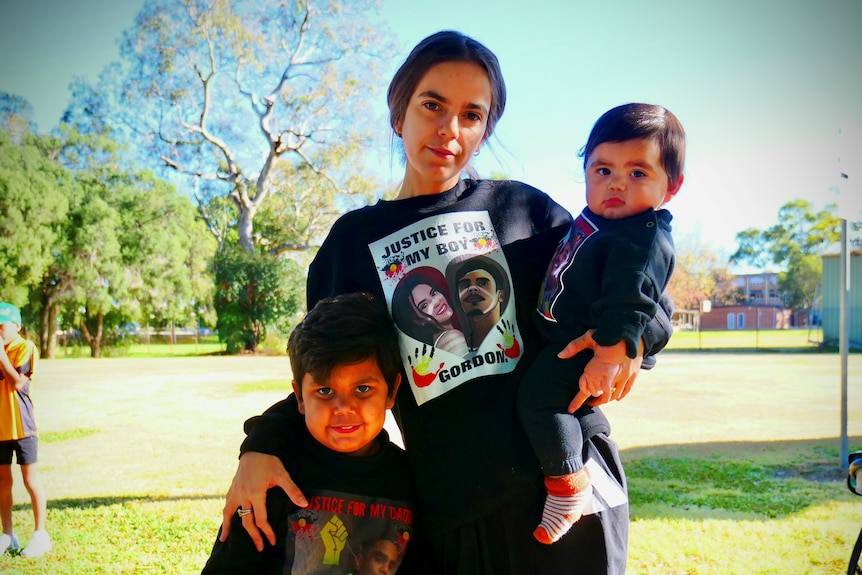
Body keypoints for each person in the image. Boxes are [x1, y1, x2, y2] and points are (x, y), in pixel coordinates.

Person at [221, 31, 672, 574]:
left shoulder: (528, 213)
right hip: (453, 507)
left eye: (471, 115)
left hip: (571, 478)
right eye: (432, 105)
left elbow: (639, 280)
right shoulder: (351, 244)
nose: (449, 130)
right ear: (398, 113)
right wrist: (260, 446)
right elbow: (325, 373)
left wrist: (634, 339)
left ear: (484, 130)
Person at [518, 103, 685, 545]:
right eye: (603, 170)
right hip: (563, 339)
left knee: (541, 402)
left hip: (586, 350)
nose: (616, 184)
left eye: (637, 173)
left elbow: (635, 300)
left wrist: (614, 352)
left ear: (672, 187)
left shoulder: (642, 236)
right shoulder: (595, 222)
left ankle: (567, 486)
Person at [202, 293, 414, 574]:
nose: (343, 408)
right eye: (324, 391)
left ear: (392, 391)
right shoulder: (274, 477)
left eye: (363, 389)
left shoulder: (410, 478)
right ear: (299, 398)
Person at [0, 302, 51, 558]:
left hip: (22, 426)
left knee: (31, 480)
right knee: (2, 482)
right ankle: (7, 535)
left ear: (17, 326)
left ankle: (40, 535)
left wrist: (0, 356)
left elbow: (18, 383)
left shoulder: (25, 348)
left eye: (2, 326)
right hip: (0, 427)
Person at [391, 269, 468, 356]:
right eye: (424, 305)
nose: (436, 302)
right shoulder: (452, 338)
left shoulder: (437, 341)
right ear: (418, 321)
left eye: (433, 293)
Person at [445, 254, 510, 352]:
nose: (472, 289)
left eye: (482, 283)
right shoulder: (458, 351)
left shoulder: (514, 338)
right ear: (458, 300)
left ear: (501, 295)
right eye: (466, 285)